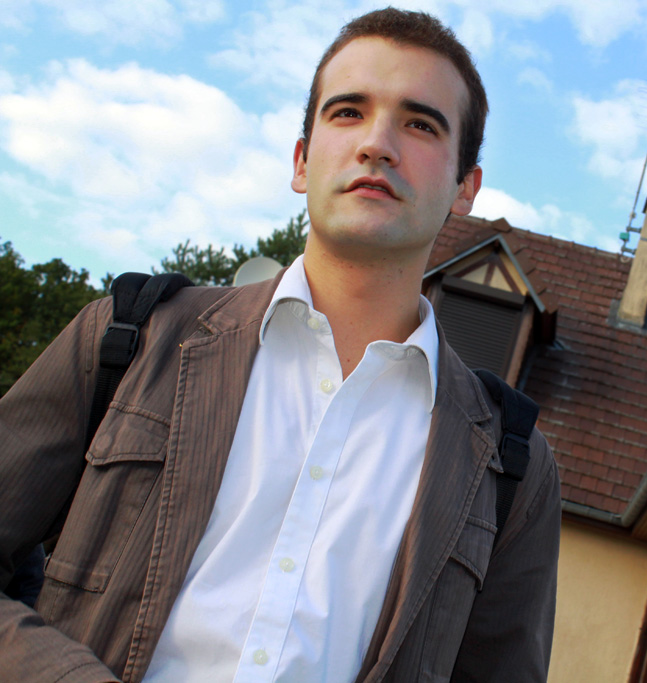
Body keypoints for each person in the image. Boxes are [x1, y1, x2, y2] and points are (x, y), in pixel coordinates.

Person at [0, 8, 560, 682]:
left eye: (420, 124)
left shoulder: (510, 467)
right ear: (301, 161)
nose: (377, 144)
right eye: (348, 112)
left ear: (465, 187)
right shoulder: (129, 338)